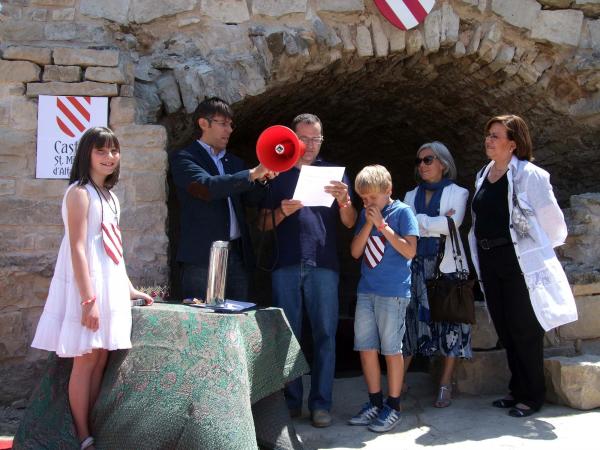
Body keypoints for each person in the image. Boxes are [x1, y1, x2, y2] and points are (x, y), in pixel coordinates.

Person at [31, 127, 154, 450]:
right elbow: (78, 248)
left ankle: (93, 425)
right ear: (87, 154)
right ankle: (81, 432)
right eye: (101, 151)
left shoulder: (110, 196)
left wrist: (130, 289)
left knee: (100, 358)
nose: (109, 157)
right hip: (88, 285)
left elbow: (113, 250)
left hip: (110, 281)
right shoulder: (79, 193)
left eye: (114, 151)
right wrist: (88, 299)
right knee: (85, 358)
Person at [469, 114, 578, 417]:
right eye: (488, 134)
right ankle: (516, 388)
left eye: (495, 136)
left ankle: (532, 395)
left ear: (512, 144)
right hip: (491, 261)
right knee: (504, 326)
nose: (488, 140)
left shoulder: (531, 175)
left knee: (524, 328)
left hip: (519, 262)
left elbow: (554, 225)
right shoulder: (483, 174)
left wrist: (539, 253)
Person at [258, 113, 357, 427]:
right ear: (292, 139)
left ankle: (321, 404)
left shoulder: (334, 175)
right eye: (305, 138)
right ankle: (290, 403)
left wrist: (344, 200)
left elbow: (351, 223)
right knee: (288, 336)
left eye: (317, 139)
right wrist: (282, 212)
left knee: (326, 334)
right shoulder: (278, 174)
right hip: (285, 263)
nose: (311, 145)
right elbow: (262, 224)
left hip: (324, 264)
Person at [170, 97, 276, 301]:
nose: (229, 130)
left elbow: (251, 200)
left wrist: (264, 179)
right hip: (202, 257)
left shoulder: (234, 162)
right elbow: (205, 188)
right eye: (223, 124)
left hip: (236, 255)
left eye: (231, 124)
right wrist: (252, 174)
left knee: (238, 321)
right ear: (203, 123)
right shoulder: (184, 158)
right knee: (201, 322)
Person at [348, 165, 418, 433]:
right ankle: (375, 403)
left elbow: (409, 251)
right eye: (364, 199)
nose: (368, 203)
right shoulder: (366, 216)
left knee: (391, 349)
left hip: (393, 293)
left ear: (388, 190)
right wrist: (368, 223)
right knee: (366, 347)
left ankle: (394, 405)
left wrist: (383, 226)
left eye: (372, 198)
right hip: (367, 291)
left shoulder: (403, 212)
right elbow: (355, 252)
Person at [403, 142, 472, 408]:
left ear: (443, 163)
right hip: (416, 265)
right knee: (410, 324)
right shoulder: (410, 195)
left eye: (428, 160)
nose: (422, 165)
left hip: (447, 268)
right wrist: (437, 222)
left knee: (450, 323)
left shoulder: (459, 192)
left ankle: (445, 383)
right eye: (419, 161)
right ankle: (400, 382)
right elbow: (406, 227)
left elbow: (453, 224)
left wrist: (421, 221)